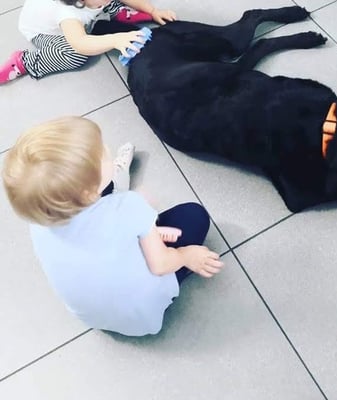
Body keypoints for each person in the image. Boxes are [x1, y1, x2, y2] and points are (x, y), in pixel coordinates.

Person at [2, 116, 224, 336]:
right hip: (141, 315)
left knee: (132, 227)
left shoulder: (39, 223)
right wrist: (186, 255)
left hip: (95, 317)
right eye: (103, 154)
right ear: (88, 194)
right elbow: (160, 264)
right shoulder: (129, 207)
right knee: (194, 215)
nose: (106, 148)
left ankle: (139, 225)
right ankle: (171, 276)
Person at [0, 0, 176, 84]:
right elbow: (80, 42)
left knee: (104, 4)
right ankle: (25, 62)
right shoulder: (67, 13)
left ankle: (114, 10)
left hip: (86, 10)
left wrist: (153, 11)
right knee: (75, 55)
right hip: (46, 32)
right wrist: (114, 39)